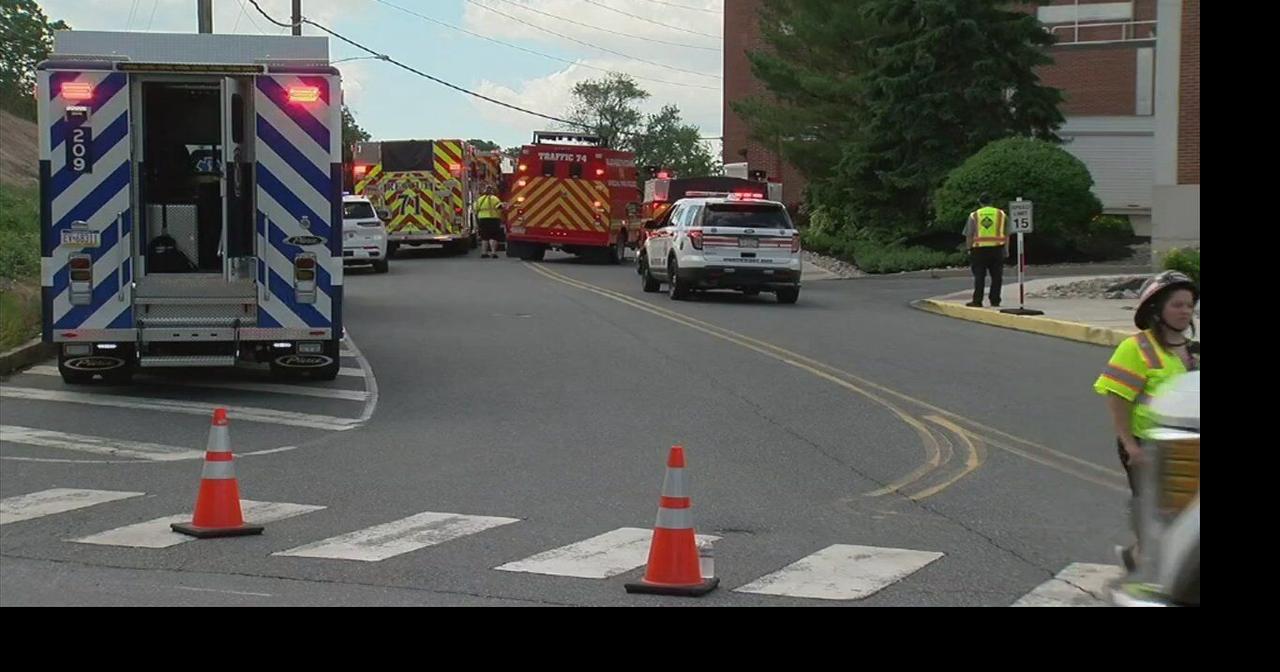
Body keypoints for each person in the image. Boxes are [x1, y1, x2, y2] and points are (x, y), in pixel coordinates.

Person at [1093, 270, 1199, 572]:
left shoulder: (1193, 350)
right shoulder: (1136, 348)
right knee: (1158, 508)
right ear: (1156, 309)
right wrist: (1129, 445)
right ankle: (1145, 561)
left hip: (1187, 446)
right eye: (1177, 304)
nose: (1185, 311)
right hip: (1146, 444)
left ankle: (1146, 559)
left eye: (1189, 305)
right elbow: (1117, 397)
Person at [963, 194, 1010, 308]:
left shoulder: (974, 215)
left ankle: (977, 301)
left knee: (979, 276)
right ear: (991, 201)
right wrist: (1006, 250)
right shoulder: (1001, 214)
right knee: (997, 276)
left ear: (980, 202)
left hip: (979, 250)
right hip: (997, 249)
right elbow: (1007, 234)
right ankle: (995, 300)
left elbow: (969, 234)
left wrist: (969, 248)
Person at [475, 184, 505, 259]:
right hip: (494, 219)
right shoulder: (495, 199)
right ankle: (493, 252)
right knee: (493, 237)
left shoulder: (480, 200)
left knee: (484, 237)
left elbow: (475, 209)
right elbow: (499, 207)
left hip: (483, 219)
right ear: (492, 191)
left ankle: (484, 253)